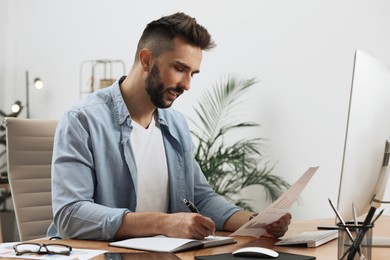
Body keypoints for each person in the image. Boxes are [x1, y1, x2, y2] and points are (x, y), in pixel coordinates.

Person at [47, 12, 291, 241]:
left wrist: (254, 222)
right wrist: (163, 223)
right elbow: (70, 215)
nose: (186, 85)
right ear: (146, 60)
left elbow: (200, 198)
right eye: (179, 68)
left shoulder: (175, 125)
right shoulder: (82, 120)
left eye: (193, 74)